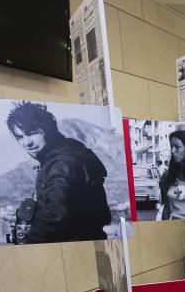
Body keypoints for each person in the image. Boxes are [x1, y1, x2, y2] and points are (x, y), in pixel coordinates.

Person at [6, 102, 110, 244]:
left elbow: (56, 216)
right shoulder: (67, 154)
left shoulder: (62, 162)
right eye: (20, 137)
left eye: (31, 133)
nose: (27, 143)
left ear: (48, 129)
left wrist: (30, 244)